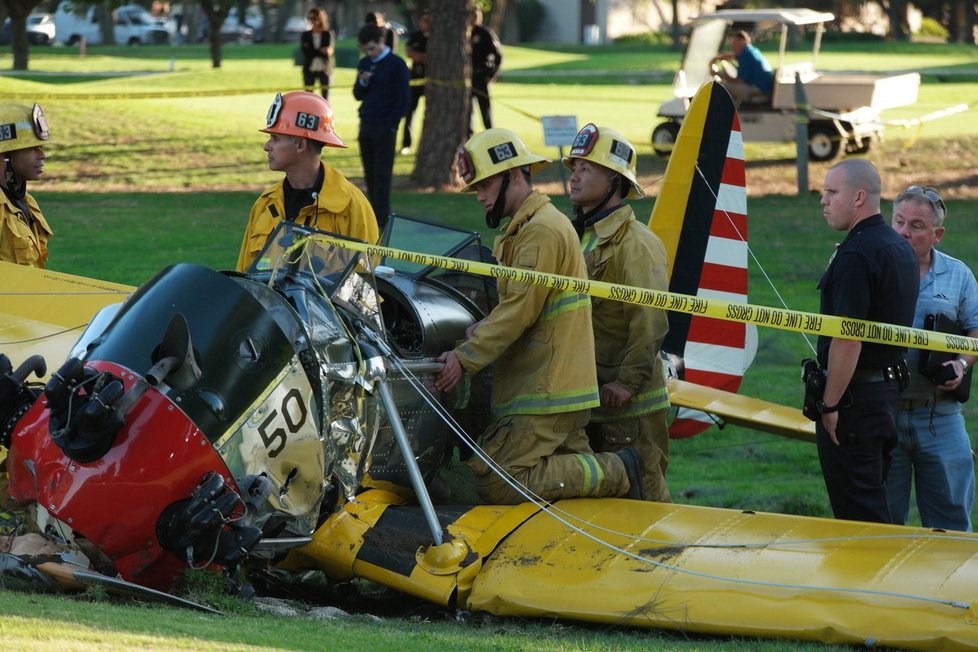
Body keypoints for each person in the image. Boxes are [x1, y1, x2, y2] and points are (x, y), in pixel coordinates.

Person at [434, 128, 644, 505]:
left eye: (484, 185)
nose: (479, 196)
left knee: (497, 481)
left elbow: (519, 310)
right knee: (572, 484)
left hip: (547, 391)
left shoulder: (541, 231)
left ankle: (620, 470)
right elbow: (527, 303)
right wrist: (485, 326)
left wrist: (465, 358)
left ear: (514, 175)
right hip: (554, 385)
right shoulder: (527, 229)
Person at [563, 124, 671, 502]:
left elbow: (650, 319)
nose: (573, 176)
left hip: (630, 404)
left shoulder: (636, 243)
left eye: (586, 168)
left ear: (614, 179)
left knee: (643, 502)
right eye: (573, 167)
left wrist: (627, 383)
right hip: (592, 396)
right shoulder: (581, 236)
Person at [815, 158, 918, 524]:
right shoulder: (898, 245)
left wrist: (830, 405)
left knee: (860, 520)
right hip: (885, 397)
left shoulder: (857, 254)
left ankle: (870, 583)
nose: (823, 200)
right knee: (876, 505)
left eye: (831, 192)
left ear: (859, 197)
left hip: (855, 404)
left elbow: (848, 340)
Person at [888, 185, 977, 531]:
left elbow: (976, 328)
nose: (904, 232)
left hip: (940, 413)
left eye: (916, 225)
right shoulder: (872, 266)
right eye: (898, 222)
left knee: (952, 527)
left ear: (937, 234)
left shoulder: (959, 275)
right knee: (880, 527)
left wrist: (961, 363)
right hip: (883, 410)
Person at [237, 91, 378, 273]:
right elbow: (244, 277)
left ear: (300, 145)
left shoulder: (350, 206)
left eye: (275, 138)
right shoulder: (266, 204)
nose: (267, 146)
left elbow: (366, 288)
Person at [353, 23, 409, 230]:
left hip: (385, 127)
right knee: (369, 174)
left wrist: (392, 125)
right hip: (367, 123)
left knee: (382, 176)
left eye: (372, 48)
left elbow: (403, 99)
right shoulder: (365, 63)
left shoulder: (396, 64)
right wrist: (363, 82)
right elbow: (358, 94)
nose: (369, 53)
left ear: (381, 42)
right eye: (365, 50)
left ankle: (382, 220)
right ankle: (370, 217)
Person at [0, 102, 53, 268]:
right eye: (32, 149)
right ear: (5, 154)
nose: (42, 155)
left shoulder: (26, 202)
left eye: (41, 147)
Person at [711, 30, 774, 107]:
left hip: (759, 90)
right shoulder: (751, 51)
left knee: (723, 87)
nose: (732, 46)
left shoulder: (746, 56)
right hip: (762, 87)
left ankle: (724, 113)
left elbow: (739, 81)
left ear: (742, 41)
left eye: (734, 42)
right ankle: (733, 111)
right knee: (731, 89)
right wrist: (721, 57)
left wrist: (718, 74)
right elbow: (733, 56)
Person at [468, 7, 502, 135]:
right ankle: (468, 137)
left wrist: (492, 74)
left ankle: (490, 135)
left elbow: (498, 55)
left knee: (485, 109)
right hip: (466, 77)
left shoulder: (484, 33)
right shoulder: (463, 33)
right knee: (467, 111)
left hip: (481, 76)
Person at [400, 11, 429, 155]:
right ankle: (406, 143)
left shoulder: (437, 37)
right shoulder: (415, 36)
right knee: (409, 112)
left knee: (429, 114)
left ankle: (426, 144)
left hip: (431, 80)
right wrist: (423, 57)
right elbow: (409, 51)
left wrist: (422, 57)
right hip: (416, 78)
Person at [299, 8, 335, 99]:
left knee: (325, 95)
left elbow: (328, 51)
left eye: (314, 18)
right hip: (309, 67)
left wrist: (315, 50)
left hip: (324, 67)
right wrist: (320, 51)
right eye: (310, 18)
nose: (312, 20)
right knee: (308, 95)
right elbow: (306, 52)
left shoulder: (327, 34)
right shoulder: (305, 35)